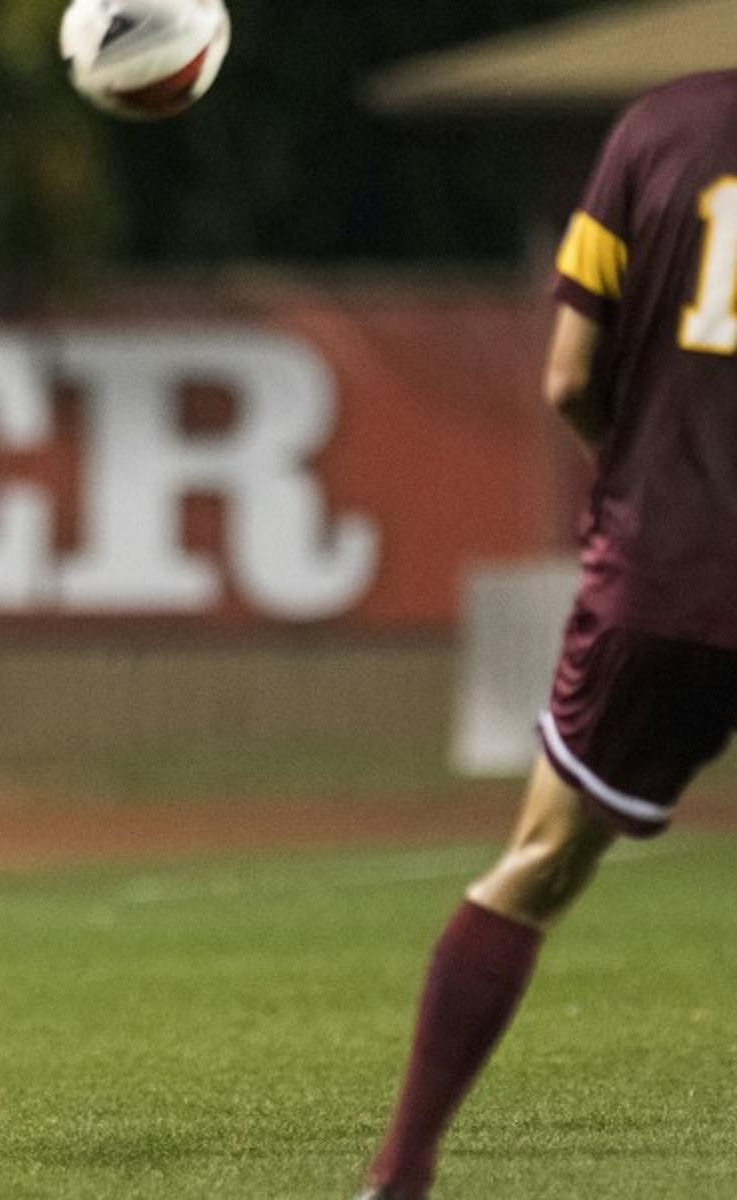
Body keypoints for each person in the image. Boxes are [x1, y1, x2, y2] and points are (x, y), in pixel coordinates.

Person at [357, 71, 737, 1200]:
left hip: (661, 573)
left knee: (537, 863)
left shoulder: (656, 128)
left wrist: (644, 480)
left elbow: (569, 376)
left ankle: (400, 1173)